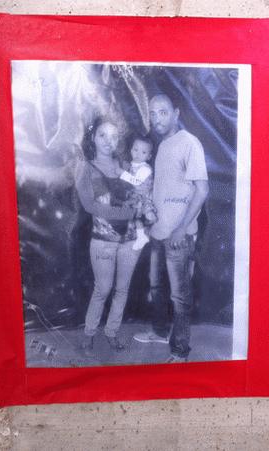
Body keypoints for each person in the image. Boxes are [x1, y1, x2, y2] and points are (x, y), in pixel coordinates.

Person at [133, 94, 209, 363]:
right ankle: (160, 331)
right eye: (152, 113)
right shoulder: (162, 145)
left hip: (179, 236)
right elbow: (165, 188)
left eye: (162, 112)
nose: (156, 119)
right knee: (156, 288)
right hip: (158, 232)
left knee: (179, 296)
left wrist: (181, 229)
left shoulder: (190, 143)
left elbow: (202, 191)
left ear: (176, 113)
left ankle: (179, 352)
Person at [75, 117, 143, 352]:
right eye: (103, 135)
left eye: (114, 136)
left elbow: (138, 193)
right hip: (103, 242)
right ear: (93, 137)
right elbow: (90, 206)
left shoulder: (124, 166)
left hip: (130, 240)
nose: (108, 141)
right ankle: (89, 332)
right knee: (102, 289)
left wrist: (141, 205)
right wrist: (130, 213)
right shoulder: (86, 167)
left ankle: (112, 332)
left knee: (122, 289)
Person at [118, 135, 158, 251]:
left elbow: (136, 182)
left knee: (138, 217)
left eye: (143, 152)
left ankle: (145, 230)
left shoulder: (146, 168)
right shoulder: (131, 165)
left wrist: (122, 173)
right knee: (133, 219)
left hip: (142, 197)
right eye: (136, 150)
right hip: (133, 196)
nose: (138, 154)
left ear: (149, 156)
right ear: (131, 150)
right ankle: (138, 236)